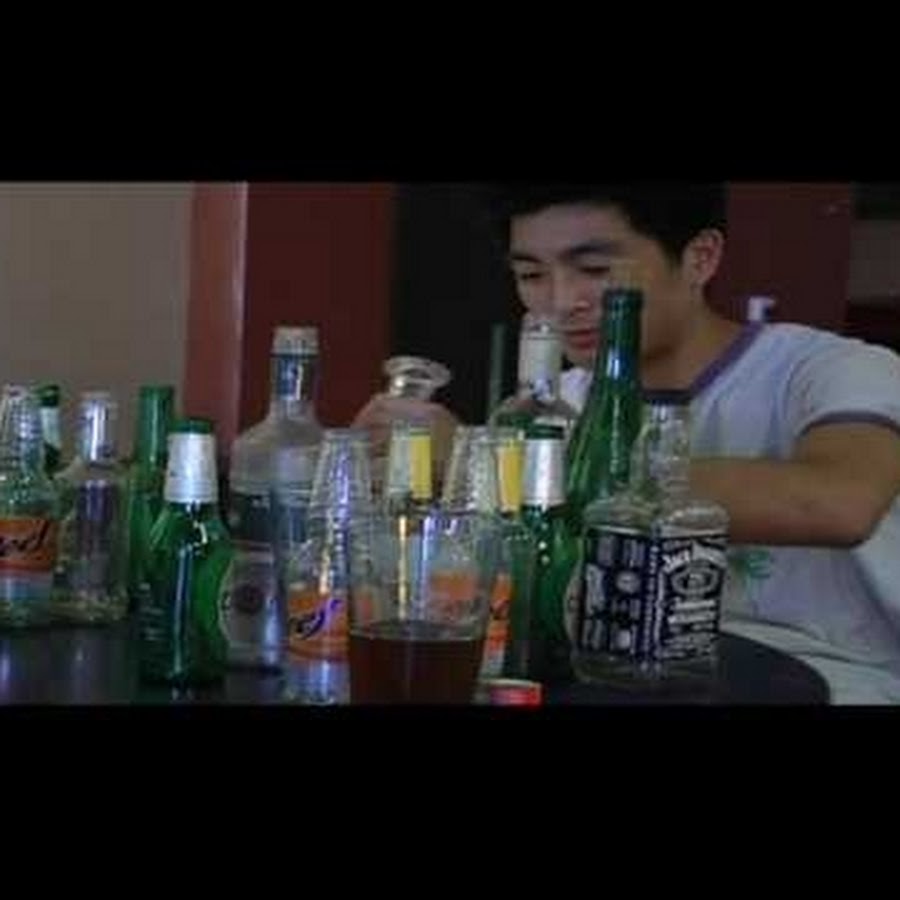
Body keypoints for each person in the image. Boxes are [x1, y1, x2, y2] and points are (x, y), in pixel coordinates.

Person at [354, 183, 900, 702]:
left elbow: (838, 502)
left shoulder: (829, 371)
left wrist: (496, 463)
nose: (561, 301)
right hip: (602, 672)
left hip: (825, 678)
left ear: (700, 258)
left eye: (594, 269)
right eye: (531, 274)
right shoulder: (555, 405)